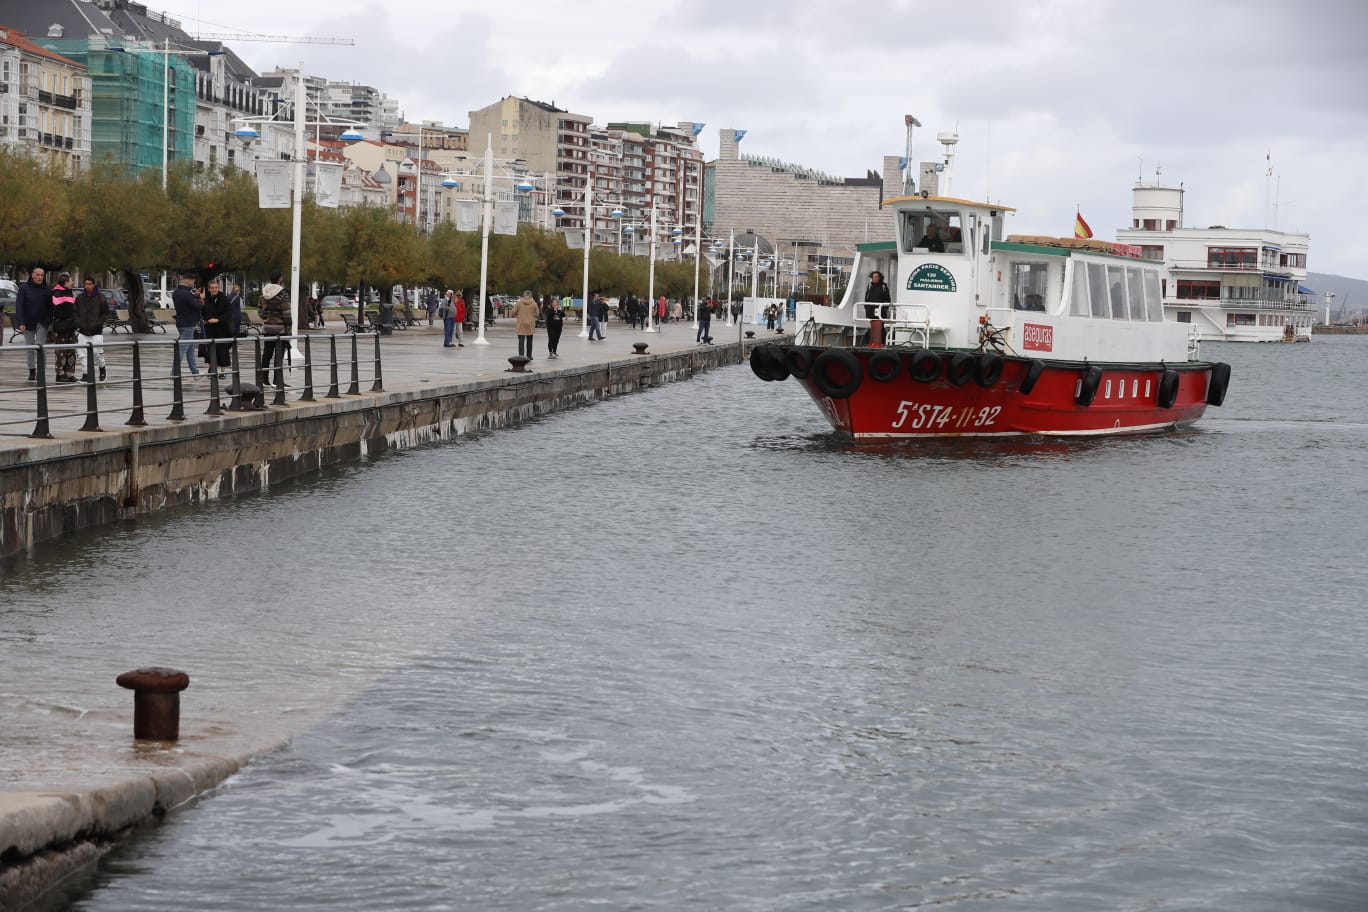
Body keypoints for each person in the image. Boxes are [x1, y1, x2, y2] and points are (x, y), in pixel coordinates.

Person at [16, 267, 52, 382]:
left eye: (42, 275)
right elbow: (19, 305)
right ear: (32, 275)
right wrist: (21, 322)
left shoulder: (47, 288)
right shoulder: (24, 288)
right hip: (28, 322)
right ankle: (32, 370)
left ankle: (41, 370)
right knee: (30, 347)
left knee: (41, 347)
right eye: (38, 275)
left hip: (42, 322)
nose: (40, 277)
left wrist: (48, 320)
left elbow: (50, 306)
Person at [258, 271, 291, 388]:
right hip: (280, 328)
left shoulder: (263, 294)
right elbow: (286, 313)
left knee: (267, 353)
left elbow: (260, 313)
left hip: (267, 328)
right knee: (279, 355)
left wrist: (268, 317)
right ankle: (277, 380)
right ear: (280, 279)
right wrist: (288, 331)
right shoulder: (283, 294)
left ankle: (264, 379)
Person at [74, 277, 109, 383]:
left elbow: (105, 313)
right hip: (83, 330)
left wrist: (99, 324)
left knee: (97, 353)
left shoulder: (101, 298)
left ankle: (102, 368)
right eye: (86, 284)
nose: (87, 286)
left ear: (94, 285)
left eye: (90, 284)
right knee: (82, 353)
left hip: (96, 331)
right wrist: (79, 323)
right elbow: (75, 311)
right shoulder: (80, 297)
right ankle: (86, 374)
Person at [171, 273, 202, 378]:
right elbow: (196, 306)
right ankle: (174, 373)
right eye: (192, 282)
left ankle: (195, 372)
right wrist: (201, 300)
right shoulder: (187, 293)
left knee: (190, 349)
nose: (193, 284)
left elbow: (186, 303)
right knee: (182, 348)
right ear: (189, 281)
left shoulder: (176, 292)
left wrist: (194, 296)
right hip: (189, 324)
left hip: (180, 323)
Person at [48, 273, 78, 384]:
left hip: (71, 326)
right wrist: (67, 318)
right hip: (61, 326)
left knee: (71, 351)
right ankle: (59, 374)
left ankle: (70, 374)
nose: (72, 282)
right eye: (70, 280)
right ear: (65, 282)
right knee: (61, 351)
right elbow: (57, 310)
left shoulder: (69, 292)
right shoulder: (57, 293)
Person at [201, 279, 234, 374]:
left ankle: (223, 371)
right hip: (210, 327)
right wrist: (202, 300)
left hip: (221, 327)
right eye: (212, 288)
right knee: (208, 349)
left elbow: (228, 312)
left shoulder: (223, 298)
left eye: (216, 288)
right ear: (209, 289)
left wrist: (218, 319)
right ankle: (211, 369)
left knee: (222, 349)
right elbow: (203, 311)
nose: (214, 289)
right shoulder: (206, 299)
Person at [513, 289, 539, 359]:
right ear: (531, 295)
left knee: (521, 340)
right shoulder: (534, 303)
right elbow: (537, 314)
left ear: (523, 295)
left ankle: (521, 355)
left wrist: (517, 315)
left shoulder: (518, 303)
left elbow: (513, 312)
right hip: (530, 323)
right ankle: (529, 355)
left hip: (521, 323)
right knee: (530, 340)